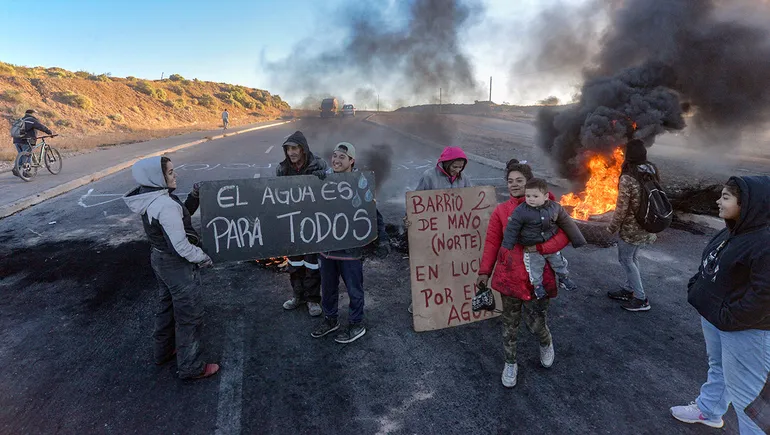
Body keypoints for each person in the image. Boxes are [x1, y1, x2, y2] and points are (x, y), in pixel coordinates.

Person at [670, 176, 770, 434]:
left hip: (745, 329)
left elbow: (764, 296)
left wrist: (729, 317)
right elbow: (711, 263)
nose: (718, 200)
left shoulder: (764, 243)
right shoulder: (733, 229)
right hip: (717, 317)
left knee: (747, 398)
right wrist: (697, 287)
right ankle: (710, 410)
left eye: (726, 197)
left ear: (747, 204)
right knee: (719, 367)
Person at [123, 156, 219, 380]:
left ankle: (163, 351)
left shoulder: (151, 198)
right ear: (158, 177)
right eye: (170, 173)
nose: (175, 175)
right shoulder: (164, 205)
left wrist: (194, 197)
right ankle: (191, 366)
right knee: (189, 315)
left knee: (166, 306)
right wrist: (203, 258)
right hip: (175, 266)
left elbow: (179, 215)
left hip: (158, 257)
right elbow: (181, 246)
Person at [476, 162, 570, 388]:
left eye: (519, 180)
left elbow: (564, 235)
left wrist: (540, 249)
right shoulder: (501, 211)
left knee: (536, 323)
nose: (514, 185)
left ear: (529, 182)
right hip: (509, 276)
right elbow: (492, 242)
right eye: (510, 181)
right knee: (510, 325)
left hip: (538, 277)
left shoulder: (550, 207)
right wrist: (484, 272)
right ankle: (510, 363)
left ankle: (545, 342)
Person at [311, 142, 390, 343]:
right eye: (335, 156)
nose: (336, 160)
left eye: (342, 157)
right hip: (326, 248)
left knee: (354, 288)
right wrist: (313, 181)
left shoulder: (360, 182)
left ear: (352, 161)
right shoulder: (323, 177)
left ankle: (356, 324)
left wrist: (382, 238)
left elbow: (372, 211)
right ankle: (331, 320)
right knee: (328, 287)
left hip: (350, 249)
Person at [407, 146, 473, 313]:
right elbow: (417, 202)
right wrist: (411, 219)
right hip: (433, 231)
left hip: (454, 231)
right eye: (454, 166)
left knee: (451, 266)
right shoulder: (429, 176)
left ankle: (448, 296)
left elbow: (471, 200)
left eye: (460, 167)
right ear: (446, 163)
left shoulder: (463, 178)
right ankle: (421, 299)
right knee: (431, 267)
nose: (457, 170)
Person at [501, 177, 586, 299]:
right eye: (528, 196)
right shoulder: (521, 211)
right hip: (532, 248)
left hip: (550, 245)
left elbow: (567, 223)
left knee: (560, 263)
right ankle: (537, 287)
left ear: (545, 197)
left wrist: (578, 239)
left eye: (535, 196)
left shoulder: (555, 208)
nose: (530, 199)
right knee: (535, 269)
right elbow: (512, 228)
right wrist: (508, 245)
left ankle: (564, 278)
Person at [276, 130, 328, 316]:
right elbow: (275, 197)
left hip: (314, 223)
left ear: (303, 149)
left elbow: (334, 187)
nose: (291, 152)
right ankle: (298, 296)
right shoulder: (281, 169)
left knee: (312, 264)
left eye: (295, 148)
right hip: (292, 224)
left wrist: (325, 176)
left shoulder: (319, 163)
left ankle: (313, 300)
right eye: (288, 149)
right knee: (294, 263)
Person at [606, 139, 659, 312]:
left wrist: (612, 227)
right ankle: (629, 289)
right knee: (633, 258)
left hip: (632, 228)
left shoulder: (628, 177)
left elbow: (621, 209)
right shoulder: (651, 169)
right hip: (647, 223)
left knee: (626, 259)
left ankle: (641, 298)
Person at [12, 109, 53, 177]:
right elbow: (41, 127)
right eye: (36, 113)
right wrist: (49, 132)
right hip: (26, 140)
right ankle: (26, 172)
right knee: (28, 155)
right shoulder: (32, 120)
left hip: (16, 140)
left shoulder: (20, 120)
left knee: (21, 154)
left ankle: (17, 168)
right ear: (32, 114)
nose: (36, 115)